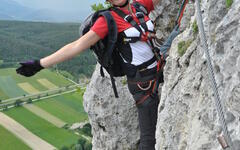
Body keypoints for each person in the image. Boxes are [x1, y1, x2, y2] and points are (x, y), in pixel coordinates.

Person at [16, 0, 164, 149]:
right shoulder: (107, 20)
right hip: (142, 84)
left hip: (160, 70)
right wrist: (40, 64)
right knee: (149, 140)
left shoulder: (140, 6)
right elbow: (76, 46)